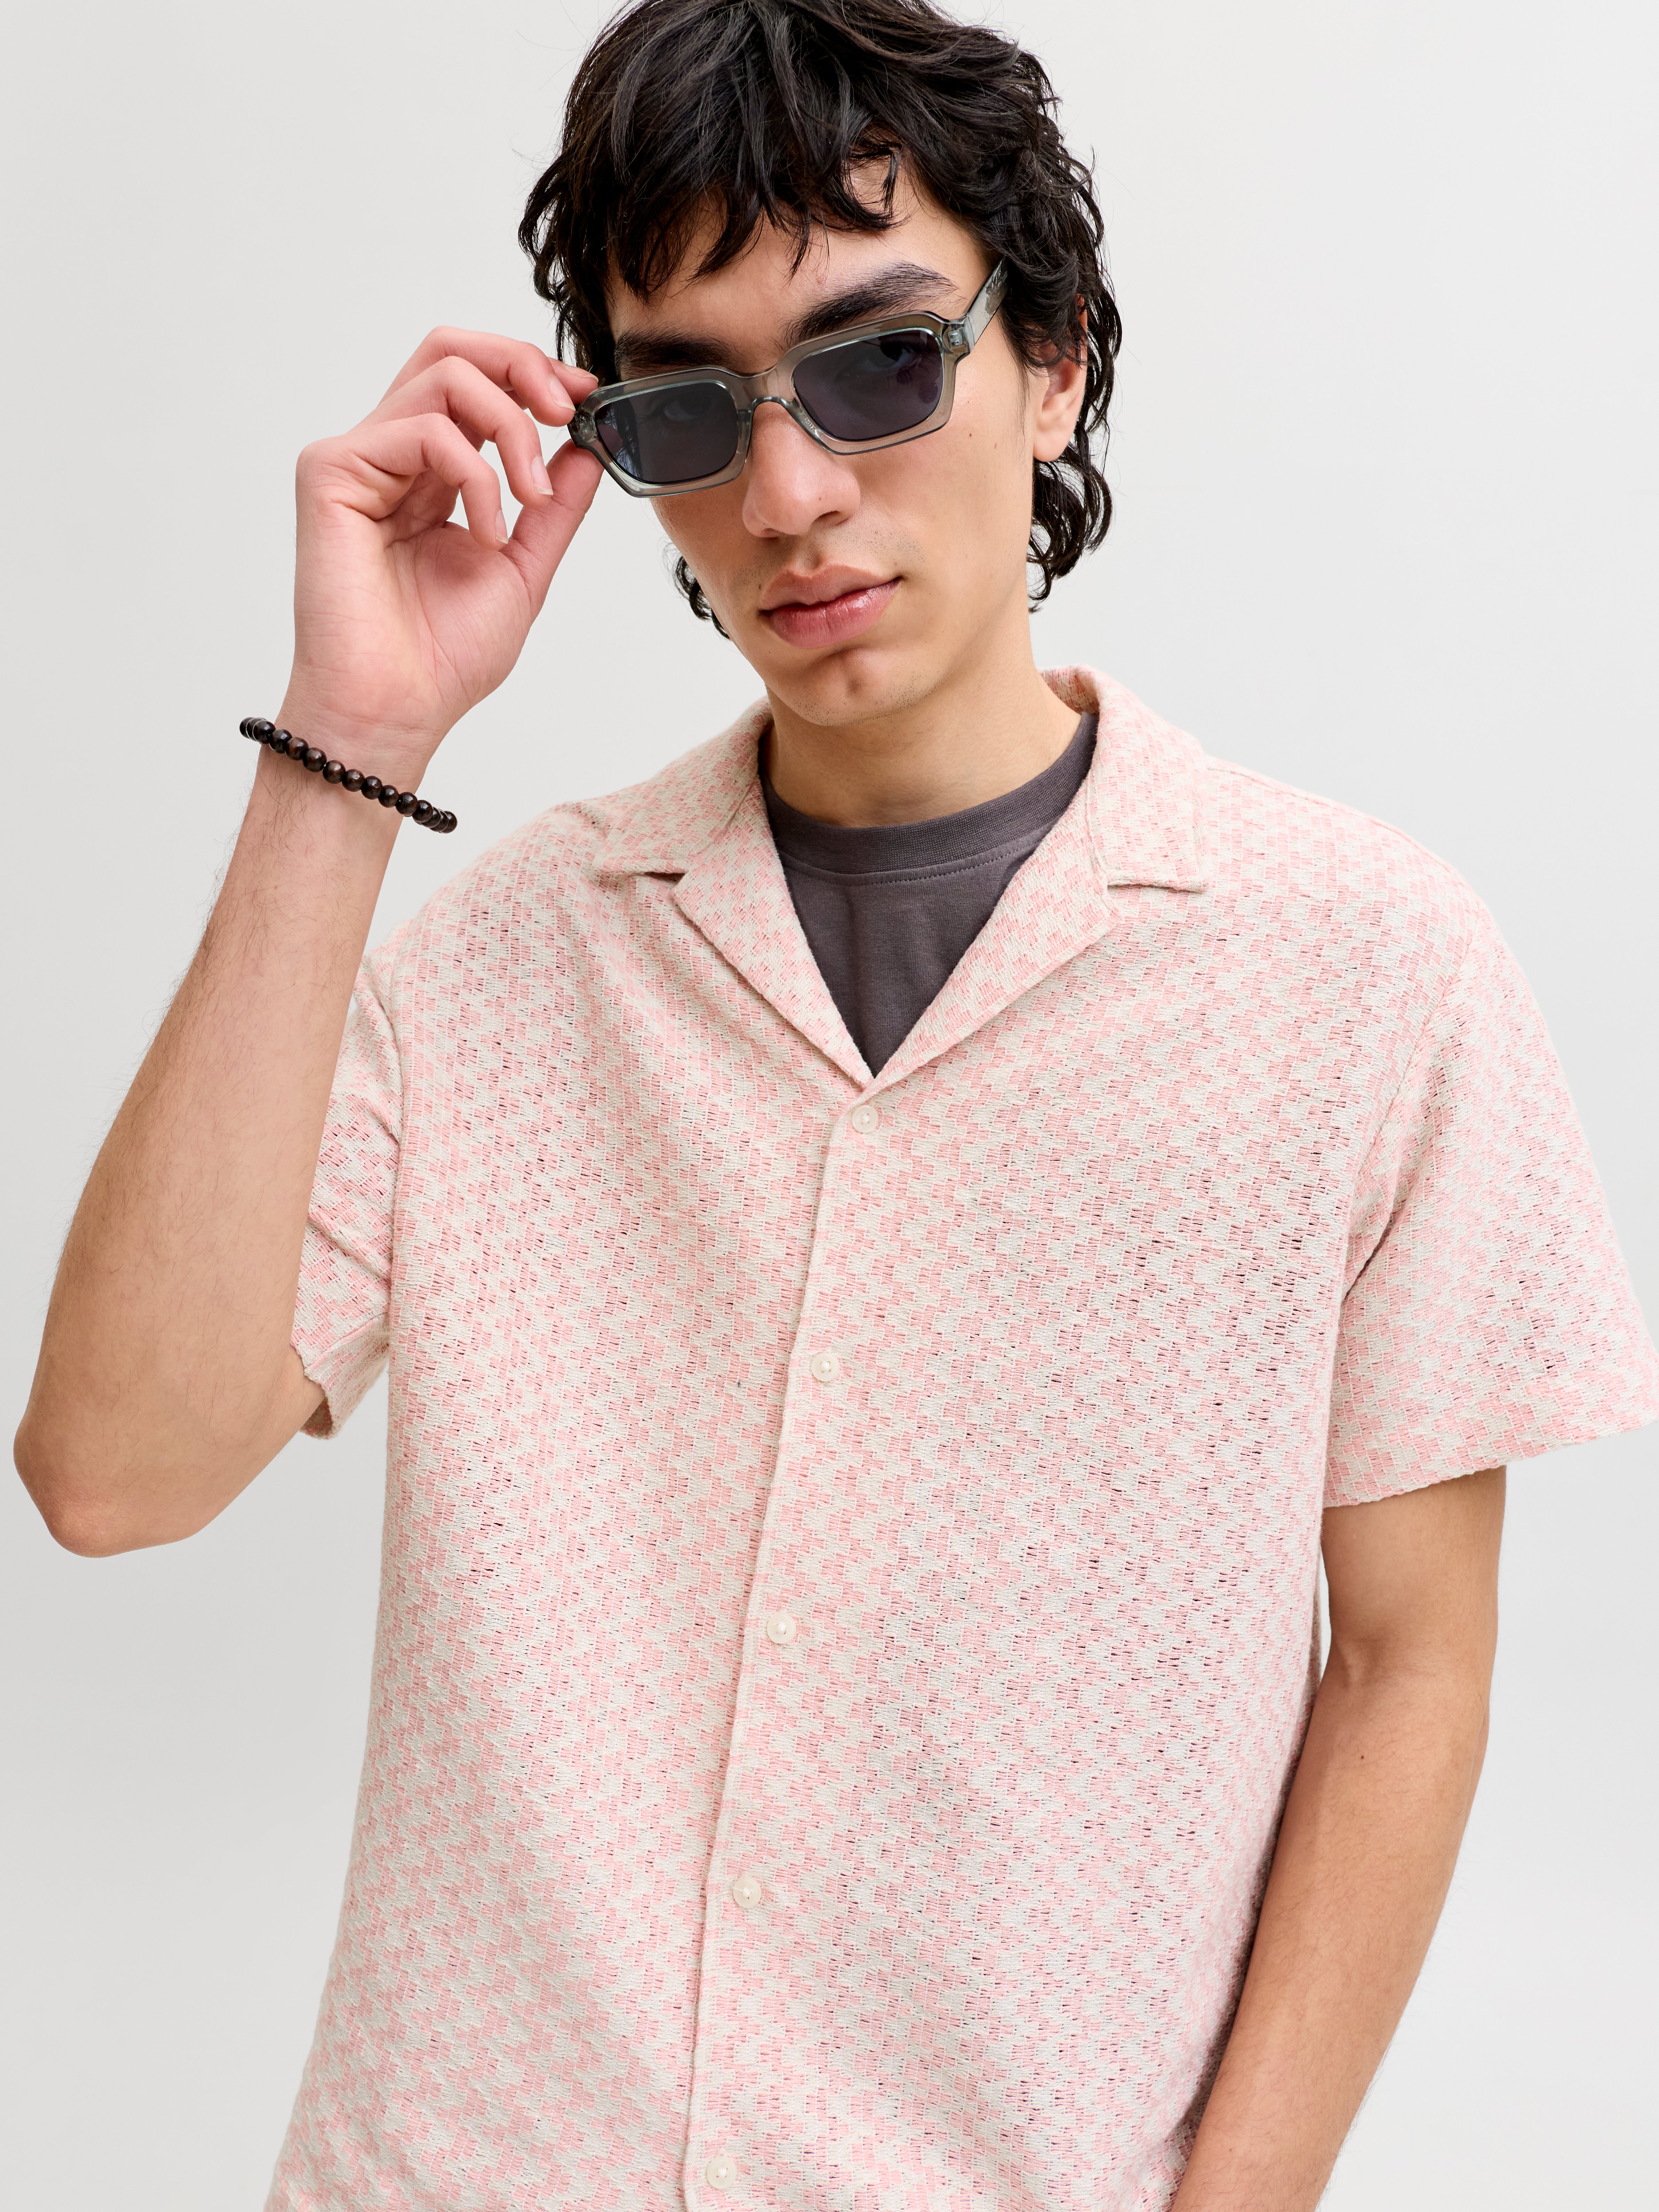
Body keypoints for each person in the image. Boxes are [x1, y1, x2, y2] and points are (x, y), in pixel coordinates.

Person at [14, 0, 1656, 2206]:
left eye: (880, 363)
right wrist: (352, 743)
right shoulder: (504, 961)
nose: (787, 497)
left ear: (1051, 357)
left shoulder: (1366, 971)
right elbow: (113, 1470)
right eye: (689, 407)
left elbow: (1409, 1671)